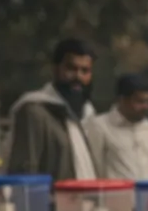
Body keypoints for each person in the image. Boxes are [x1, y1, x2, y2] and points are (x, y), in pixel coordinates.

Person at [7, 38, 97, 180]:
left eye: (84, 71)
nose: (78, 76)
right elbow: (24, 174)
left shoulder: (86, 114)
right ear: (55, 69)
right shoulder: (35, 111)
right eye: (71, 68)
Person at [84, 73, 148, 181]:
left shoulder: (147, 127)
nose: (146, 107)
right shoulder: (99, 126)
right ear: (122, 100)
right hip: (115, 196)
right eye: (140, 101)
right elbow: (91, 168)